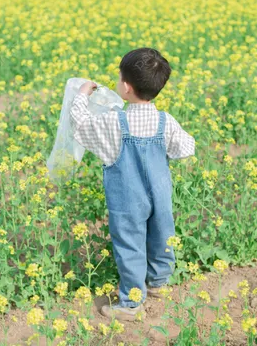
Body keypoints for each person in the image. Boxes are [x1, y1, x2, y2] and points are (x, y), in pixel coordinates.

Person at [69, 48, 195, 321]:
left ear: (126, 88)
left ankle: (131, 302)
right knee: (162, 234)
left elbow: (80, 126)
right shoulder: (165, 121)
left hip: (127, 199)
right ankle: (159, 282)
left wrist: (81, 95)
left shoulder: (113, 123)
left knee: (129, 245)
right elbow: (186, 147)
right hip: (160, 194)